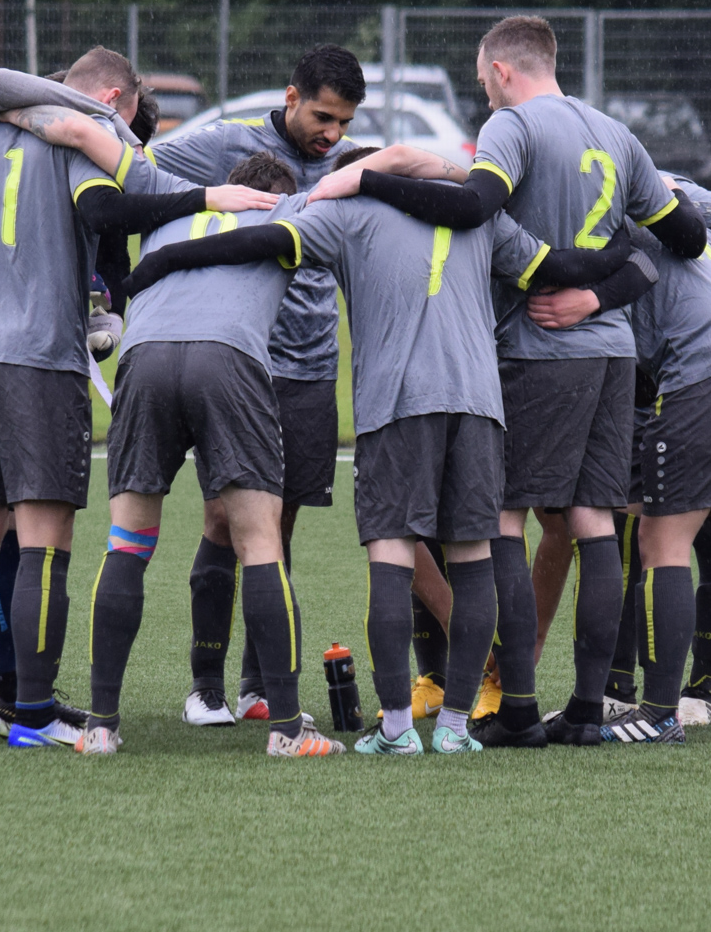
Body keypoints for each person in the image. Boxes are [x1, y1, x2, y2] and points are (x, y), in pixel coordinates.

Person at [125, 145, 652, 754]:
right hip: (479, 404)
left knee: (392, 555)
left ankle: (398, 730)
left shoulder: (349, 212)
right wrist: (624, 254)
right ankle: (455, 729)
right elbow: (559, 266)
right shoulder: (479, 214)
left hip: (396, 402)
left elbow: (254, 241)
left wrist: (160, 262)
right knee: (473, 557)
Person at [0, 48, 278, 749]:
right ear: (110, 100)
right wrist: (207, 198)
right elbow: (112, 206)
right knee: (45, 541)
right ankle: (32, 712)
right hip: (39, 359)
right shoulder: (79, 139)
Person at [307, 15, 704, 748]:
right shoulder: (617, 135)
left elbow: (473, 209)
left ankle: (517, 707)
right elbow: (685, 238)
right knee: (593, 521)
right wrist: (600, 293)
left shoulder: (513, 127)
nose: (484, 95)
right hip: (612, 354)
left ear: (501, 70)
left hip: (536, 351)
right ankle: (586, 709)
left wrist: (367, 178)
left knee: (502, 522)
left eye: (482, 81)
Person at [0, 78, 163, 727]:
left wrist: (104, 311)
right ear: (105, 100)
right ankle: (4, 706)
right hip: (12, 350)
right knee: (19, 531)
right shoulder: (70, 142)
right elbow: (133, 193)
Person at [529, 178, 711, 742]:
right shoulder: (643, 193)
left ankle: (660, 713)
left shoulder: (587, 210)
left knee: (661, 542)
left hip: (708, 364)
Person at [78, 152, 341, 757]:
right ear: (276, 194)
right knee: (260, 543)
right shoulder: (288, 210)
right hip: (227, 359)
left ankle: (100, 727)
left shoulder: (173, 209)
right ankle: (287, 730)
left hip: (143, 358)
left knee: (127, 543)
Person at [150, 45, 369, 726]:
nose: (332, 133)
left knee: (277, 526)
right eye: (323, 117)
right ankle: (205, 687)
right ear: (291, 96)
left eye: (344, 122)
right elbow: (137, 169)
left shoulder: (348, 162)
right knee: (224, 518)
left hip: (311, 370)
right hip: (237, 362)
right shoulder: (224, 145)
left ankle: (258, 686)